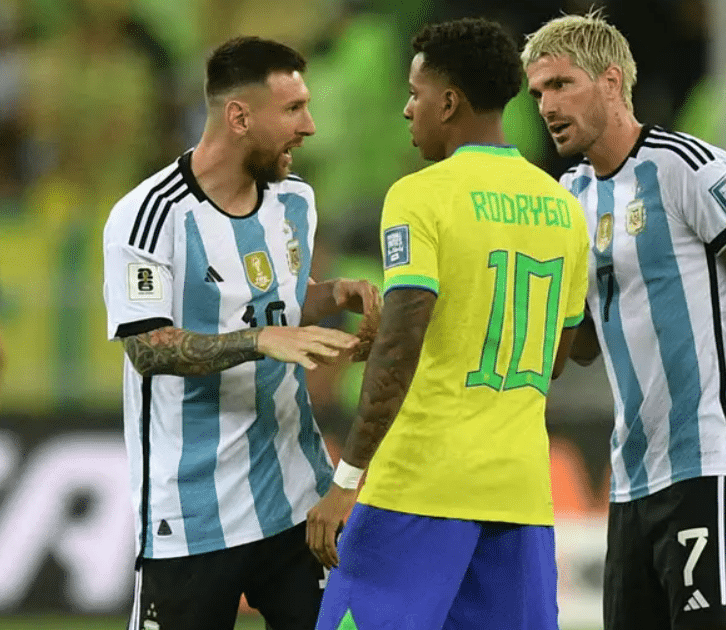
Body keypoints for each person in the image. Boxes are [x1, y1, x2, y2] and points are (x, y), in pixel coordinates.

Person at [522, 12, 726, 630]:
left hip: (707, 460)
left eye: (561, 84)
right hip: (630, 479)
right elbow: (585, 346)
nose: (546, 105)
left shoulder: (684, 166)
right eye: (537, 92)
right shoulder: (570, 197)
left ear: (611, 81)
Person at [306, 18, 590, 630]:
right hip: (518, 495)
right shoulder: (565, 209)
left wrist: (346, 481)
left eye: (415, 94)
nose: (408, 110)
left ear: (449, 101)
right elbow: (552, 354)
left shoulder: (422, 195)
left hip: (419, 487)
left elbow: (403, 342)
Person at [101, 36, 380, 630]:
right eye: (294, 110)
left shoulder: (295, 202)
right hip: (191, 514)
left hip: (298, 499)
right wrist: (261, 342)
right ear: (239, 116)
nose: (309, 126)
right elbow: (146, 347)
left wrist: (333, 296)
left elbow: (269, 302)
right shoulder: (149, 215)